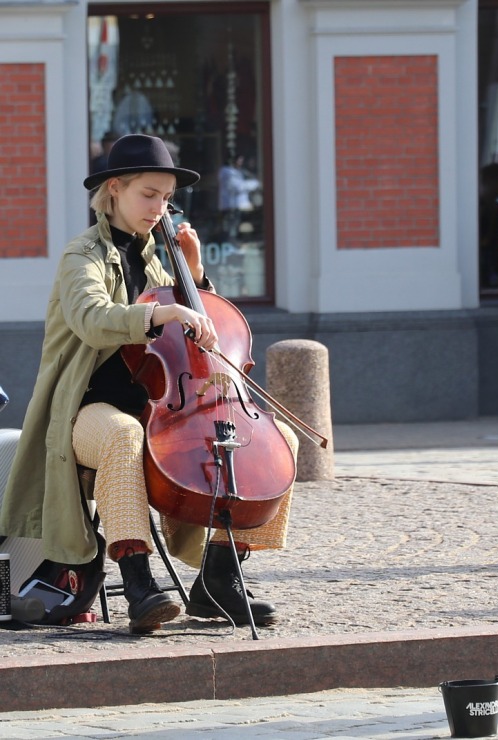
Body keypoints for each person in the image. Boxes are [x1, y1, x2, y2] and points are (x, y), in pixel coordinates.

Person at [0, 134, 297, 634]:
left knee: (275, 442)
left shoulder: (159, 260)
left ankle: (220, 577)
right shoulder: (83, 256)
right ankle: (139, 582)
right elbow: (94, 319)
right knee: (122, 436)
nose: (159, 207)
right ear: (114, 188)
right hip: (87, 410)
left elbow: (200, 337)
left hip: (161, 409)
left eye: (166, 197)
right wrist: (162, 310)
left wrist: (196, 280)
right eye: (148, 194)